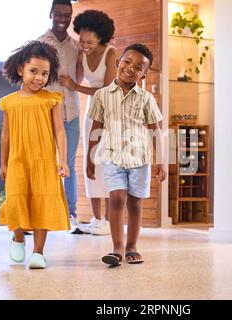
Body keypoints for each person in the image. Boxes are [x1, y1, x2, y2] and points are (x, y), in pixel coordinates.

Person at [85, 44, 166, 266]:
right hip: (112, 157)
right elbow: (96, 128)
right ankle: (117, 248)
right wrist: (89, 159)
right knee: (117, 198)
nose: (131, 68)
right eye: (127, 61)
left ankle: (132, 247)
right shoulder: (102, 95)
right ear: (117, 62)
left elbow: (155, 130)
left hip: (139, 159)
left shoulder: (146, 98)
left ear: (144, 74)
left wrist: (161, 162)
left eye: (138, 67)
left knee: (135, 204)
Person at [0, 41, 70, 269]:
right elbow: (6, 135)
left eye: (44, 73)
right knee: (16, 200)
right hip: (18, 161)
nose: (39, 78)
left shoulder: (52, 99)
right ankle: (18, 238)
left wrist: (63, 160)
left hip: (45, 162)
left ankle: (38, 252)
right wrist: (3, 163)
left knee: (43, 204)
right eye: (34, 72)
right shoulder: (9, 102)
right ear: (21, 69)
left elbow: (59, 130)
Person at [59, 10, 118, 236]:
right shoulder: (83, 54)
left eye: (89, 42)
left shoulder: (110, 53)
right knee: (90, 163)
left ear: (101, 38)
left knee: (107, 165)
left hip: (110, 110)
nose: (84, 45)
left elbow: (108, 89)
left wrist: (76, 88)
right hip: (92, 111)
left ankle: (110, 222)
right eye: (81, 41)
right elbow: (76, 77)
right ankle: (97, 218)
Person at [38, 0, 82, 231]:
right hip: (46, 111)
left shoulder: (76, 46)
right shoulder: (40, 43)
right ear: (51, 14)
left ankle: (71, 214)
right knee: (44, 163)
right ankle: (42, 215)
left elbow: (81, 75)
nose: (62, 19)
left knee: (69, 164)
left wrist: (74, 84)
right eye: (58, 14)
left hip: (72, 112)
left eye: (67, 15)